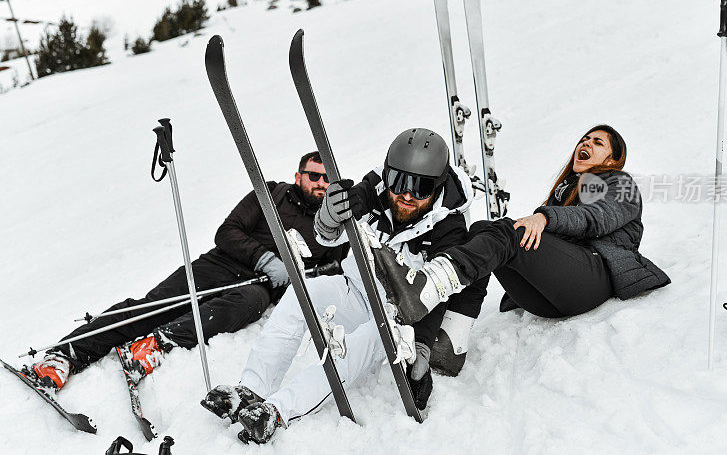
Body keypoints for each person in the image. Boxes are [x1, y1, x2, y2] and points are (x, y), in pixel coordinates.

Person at [201, 128, 483, 444]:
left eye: (421, 188)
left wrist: (421, 345)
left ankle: (277, 411)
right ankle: (252, 388)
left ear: (439, 186)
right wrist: (329, 218)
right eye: (399, 182)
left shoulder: (449, 228)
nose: (406, 194)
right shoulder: (375, 190)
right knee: (302, 295)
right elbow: (337, 224)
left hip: (400, 318)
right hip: (357, 290)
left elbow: (437, 295)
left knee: (370, 337)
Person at [28, 151, 346, 391]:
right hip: (220, 264)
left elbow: (334, 271)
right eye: (313, 175)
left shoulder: (333, 227)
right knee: (155, 305)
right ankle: (66, 354)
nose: (320, 183)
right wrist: (264, 258)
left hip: (258, 287)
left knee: (248, 305)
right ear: (299, 175)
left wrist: (296, 274)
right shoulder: (271, 194)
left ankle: (157, 344)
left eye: (325, 178)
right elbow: (227, 231)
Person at [373, 124, 671, 326]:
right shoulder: (567, 189)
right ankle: (453, 338)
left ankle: (426, 287)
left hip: (596, 277)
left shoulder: (618, 182)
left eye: (597, 142)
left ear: (614, 157)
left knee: (510, 233)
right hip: (550, 299)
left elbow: (595, 218)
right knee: (481, 231)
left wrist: (544, 216)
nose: (586, 143)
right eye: (584, 139)